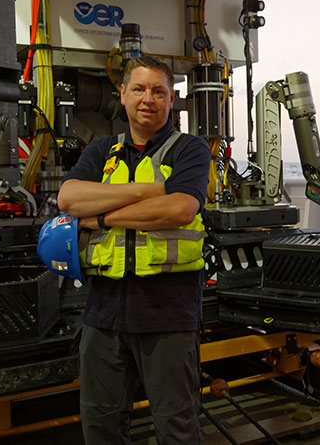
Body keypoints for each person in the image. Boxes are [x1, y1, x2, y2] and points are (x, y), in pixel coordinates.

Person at [58, 55, 210, 444]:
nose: (149, 99)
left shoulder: (189, 150)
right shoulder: (100, 151)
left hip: (169, 314)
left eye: (159, 91)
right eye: (139, 89)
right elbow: (70, 200)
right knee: (100, 425)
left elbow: (180, 208)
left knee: (177, 428)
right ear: (122, 95)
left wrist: (105, 216)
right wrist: (151, 190)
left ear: (171, 99)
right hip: (104, 313)